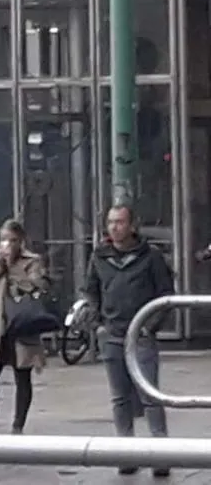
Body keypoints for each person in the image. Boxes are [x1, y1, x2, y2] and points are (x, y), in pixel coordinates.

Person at [82, 204, 174, 478]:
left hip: (141, 336)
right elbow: (91, 291)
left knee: (151, 396)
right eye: (111, 222)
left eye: (120, 222)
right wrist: (98, 323)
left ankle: (161, 455)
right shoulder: (99, 256)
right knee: (120, 398)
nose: (114, 227)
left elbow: (166, 294)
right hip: (112, 335)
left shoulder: (151, 256)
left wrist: (151, 327)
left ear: (132, 225)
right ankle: (126, 452)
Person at [0, 219, 48, 434]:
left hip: (21, 324)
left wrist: (16, 272)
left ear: (21, 241)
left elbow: (38, 286)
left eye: (13, 240)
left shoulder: (32, 261)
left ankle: (18, 425)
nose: (8, 245)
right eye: (4, 240)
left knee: (22, 375)